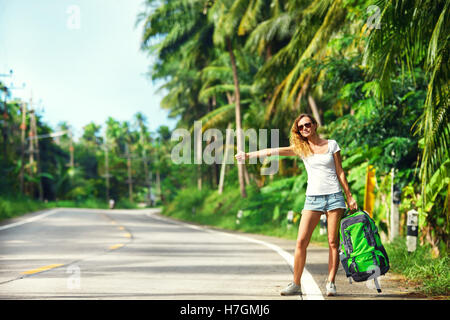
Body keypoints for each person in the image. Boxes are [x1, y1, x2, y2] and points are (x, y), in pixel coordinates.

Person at [235, 113, 357, 297]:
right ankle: (296, 283)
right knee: (301, 241)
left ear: (315, 125)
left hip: (334, 197)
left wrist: (349, 196)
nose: (304, 129)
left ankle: (331, 282)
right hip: (313, 199)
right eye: (300, 127)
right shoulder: (302, 148)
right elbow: (272, 151)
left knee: (333, 242)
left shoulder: (332, 145)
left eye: (307, 125)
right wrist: (248, 155)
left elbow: (340, 172)